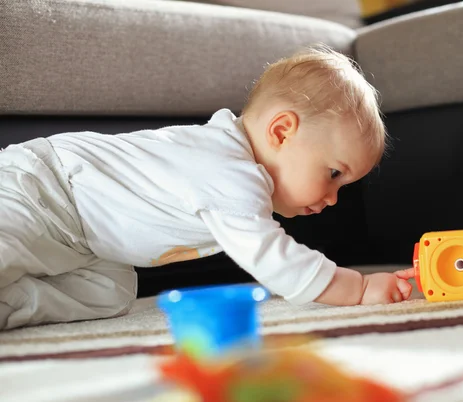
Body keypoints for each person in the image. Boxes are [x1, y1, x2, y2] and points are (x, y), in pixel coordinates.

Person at [0, 45, 415, 330]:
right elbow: (275, 260)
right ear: (282, 131)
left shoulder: (234, 171)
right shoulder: (229, 169)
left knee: (111, 292)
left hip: (88, 243)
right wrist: (358, 288)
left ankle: (9, 306)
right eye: (333, 174)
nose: (331, 198)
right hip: (43, 190)